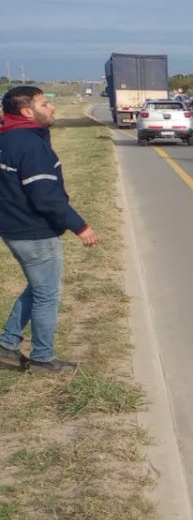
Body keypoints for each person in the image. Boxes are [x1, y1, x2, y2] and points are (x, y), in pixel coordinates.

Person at [0, 87, 99, 372]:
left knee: (38, 287)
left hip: (13, 228)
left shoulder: (6, 137)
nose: (52, 108)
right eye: (45, 104)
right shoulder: (30, 145)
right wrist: (80, 227)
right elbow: (46, 196)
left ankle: (7, 345)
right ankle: (43, 358)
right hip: (34, 231)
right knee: (47, 294)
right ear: (27, 112)